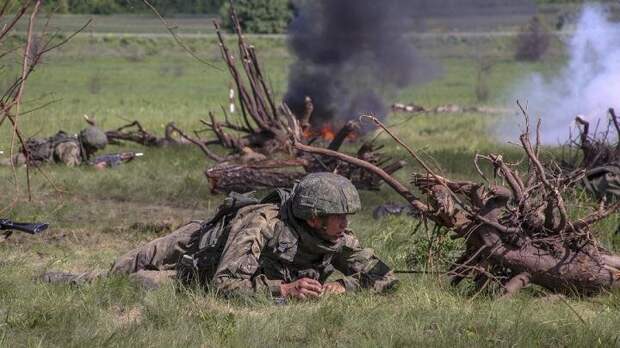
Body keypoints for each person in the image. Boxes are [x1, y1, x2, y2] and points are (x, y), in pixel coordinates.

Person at [44, 173, 398, 300]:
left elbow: (387, 279)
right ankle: (71, 281)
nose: (345, 224)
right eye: (339, 217)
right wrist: (285, 291)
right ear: (314, 217)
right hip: (196, 246)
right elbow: (226, 285)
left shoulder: (334, 239)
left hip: (195, 281)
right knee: (123, 270)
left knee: (141, 285)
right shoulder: (262, 223)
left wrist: (344, 287)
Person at [0, 126, 108, 167]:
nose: (94, 152)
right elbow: (68, 168)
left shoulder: (77, 146)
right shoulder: (71, 147)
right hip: (23, 161)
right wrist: (92, 168)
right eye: (94, 148)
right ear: (88, 144)